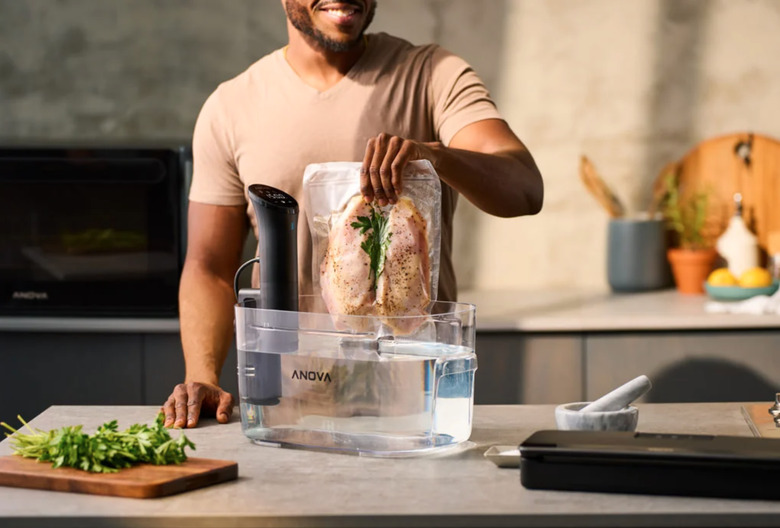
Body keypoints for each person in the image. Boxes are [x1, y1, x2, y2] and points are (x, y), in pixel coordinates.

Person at [162, 0, 544, 428]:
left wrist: (434, 156)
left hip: (415, 408)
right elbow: (209, 267)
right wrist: (201, 374)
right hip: (287, 408)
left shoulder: (432, 75)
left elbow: (525, 189)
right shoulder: (231, 107)